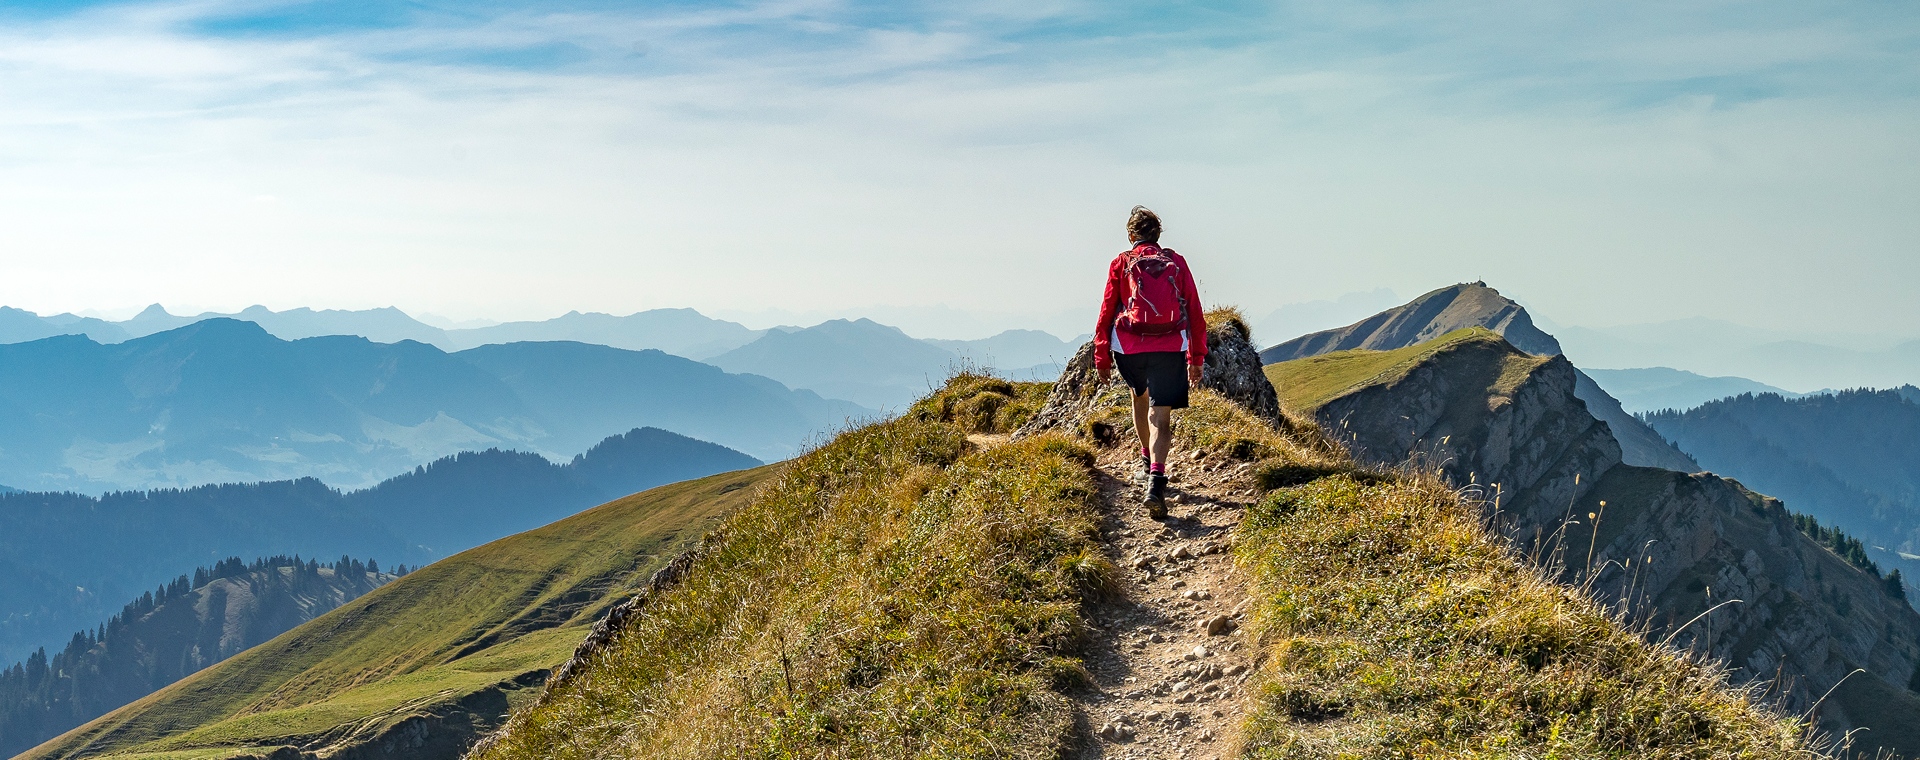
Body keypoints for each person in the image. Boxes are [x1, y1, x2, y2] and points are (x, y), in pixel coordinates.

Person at [1093, 206, 1207, 517]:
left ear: (1131, 235)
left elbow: (1106, 310)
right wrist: (1196, 358)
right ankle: (1157, 479)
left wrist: (1101, 354)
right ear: (1158, 235)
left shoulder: (1121, 262)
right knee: (1162, 416)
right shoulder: (1176, 262)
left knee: (1139, 398)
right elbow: (1195, 312)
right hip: (1170, 346)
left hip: (1129, 348)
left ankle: (1145, 460)